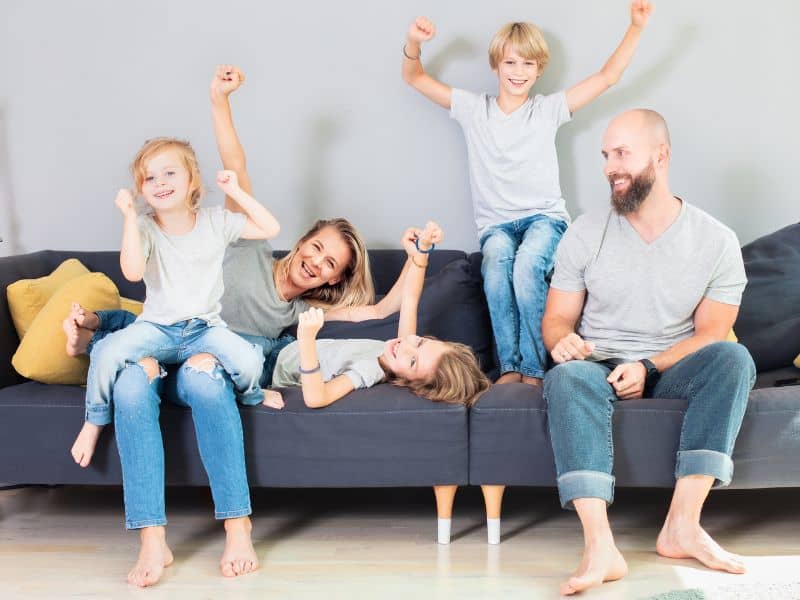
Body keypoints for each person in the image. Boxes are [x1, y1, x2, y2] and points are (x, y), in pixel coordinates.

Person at [57, 66, 425, 588]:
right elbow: (234, 163)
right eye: (316, 247)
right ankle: (150, 538)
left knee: (211, 376)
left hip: (207, 357)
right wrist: (218, 99)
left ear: (334, 280)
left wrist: (419, 257)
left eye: (330, 265)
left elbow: (382, 311)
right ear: (301, 241)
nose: (316, 262)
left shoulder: (302, 315)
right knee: (132, 378)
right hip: (162, 337)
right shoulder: (243, 242)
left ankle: (237, 526)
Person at [541, 109, 756, 595]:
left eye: (622, 154)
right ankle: (600, 547)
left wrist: (648, 365)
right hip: (598, 365)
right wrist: (562, 341)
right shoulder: (584, 232)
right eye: (605, 156)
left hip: (672, 364)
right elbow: (556, 319)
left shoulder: (716, 240)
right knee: (566, 378)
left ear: (661, 155)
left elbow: (713, 332)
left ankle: (682, 525)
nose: (609, 167)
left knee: (734, 359)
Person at [401, 1, 653, 386]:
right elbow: (414, 77)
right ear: (496, 65)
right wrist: (414, 42)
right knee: (497, 266)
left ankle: (535, 370)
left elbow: (608, 76)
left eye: (528, 64)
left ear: (539, 70)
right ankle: (510, 367)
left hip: (545, 220)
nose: (518, 72)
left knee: (527, 266)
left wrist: (635, 26)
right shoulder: (473, 110)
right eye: (510, 63)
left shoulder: (547, 110)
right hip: (496, 226)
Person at [70, 137, 281, 468]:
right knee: (105, 352)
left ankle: (252, 394)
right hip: (157, 328)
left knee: (250, 361)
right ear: (141, 189)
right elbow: (132, 271)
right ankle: (94, 420)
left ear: (191, 179)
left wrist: (236, 191)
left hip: (205, 329)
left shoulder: (216, 221)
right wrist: (128, 217)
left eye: (169, 173)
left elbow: (271, 227)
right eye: (150, 178)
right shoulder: (145, 227)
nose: (160, 183)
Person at [262, 221, 489, 411]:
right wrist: (420, 253)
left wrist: (307, 340)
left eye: (413, 361)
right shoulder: (399, 350)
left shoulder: (370, 372)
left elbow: (316, 398)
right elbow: (410, 299)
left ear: (414, 385)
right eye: (420, 342)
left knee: (238, 360)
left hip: (272, 370)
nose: (406, 346)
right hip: (280, 345)